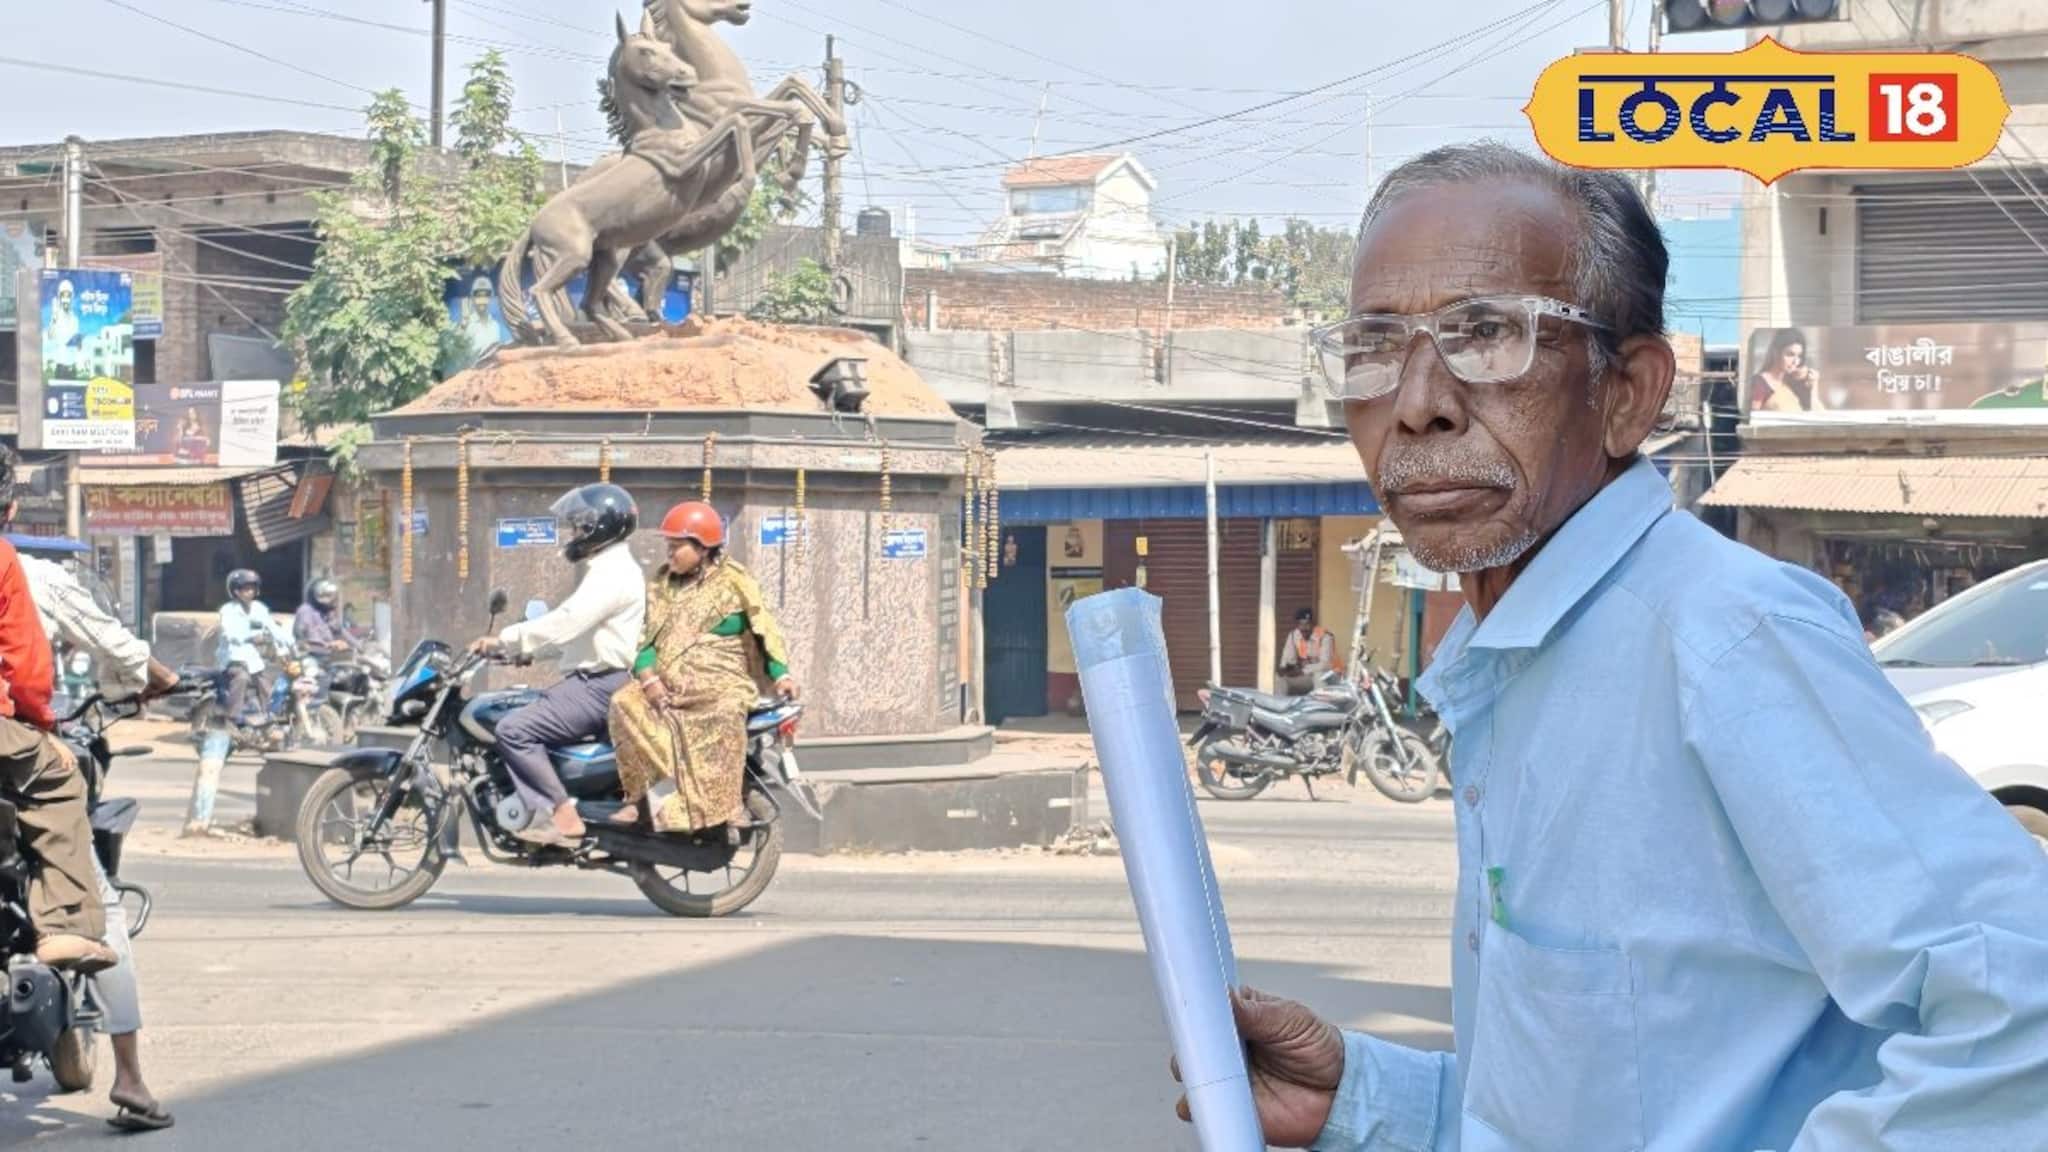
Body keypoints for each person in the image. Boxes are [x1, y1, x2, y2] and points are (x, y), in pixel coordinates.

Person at [1206, 143, 2048, 1151]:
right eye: (1373, 347)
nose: (1417, 401)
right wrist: (1358, 1096)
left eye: (1486, 336)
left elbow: (2019, 1009)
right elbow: (1603, 1104)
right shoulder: (1512, 663)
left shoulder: (1721, 639)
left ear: (1625, 392)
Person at [0, 448, 176, 1129]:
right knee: (95, 899)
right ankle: (129, 1079)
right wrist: (156, 677)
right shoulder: (32, 572)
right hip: (19, 744)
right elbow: (55, 665)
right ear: (13, 510)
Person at [469, 483, 645, 846]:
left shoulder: (613, 572)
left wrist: (507, 638)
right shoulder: (609, 568)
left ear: (602, 527)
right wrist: (526, 654)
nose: (574, 534)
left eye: (580, 526)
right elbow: (581, 635)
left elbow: (568, 620)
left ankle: (558, 814)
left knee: (513, 731)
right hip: (597, 680)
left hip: (597, 686)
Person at [608, 502, 796, 833]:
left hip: (720, 682)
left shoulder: (734, 582)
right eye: (668, 546)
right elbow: (645, 642)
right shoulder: (661, 585)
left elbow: (764, 629)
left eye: (677, 546)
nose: (670, 553)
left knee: (727, 711)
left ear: (703, 547)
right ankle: (641, 799)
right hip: (666, 686)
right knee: (624, 703)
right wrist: (649, 680)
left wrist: (781, 675)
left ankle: (729, 805)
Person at [0, 483, 115, 974]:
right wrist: (44, 728)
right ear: (11, 508)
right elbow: (26, 668)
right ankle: (65, 926)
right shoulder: (6, 559)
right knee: (61, 780)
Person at [216, 569, 293, 727]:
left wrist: (291, 642)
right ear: (236, 591)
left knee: (267, 683)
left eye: (252, 588)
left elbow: (273, 628)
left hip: (252, 659)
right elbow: (231, 633)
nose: (249, 592)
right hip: (232, 658)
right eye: (245, 589)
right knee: (242, 678)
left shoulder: (259, 608)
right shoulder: (228, 610)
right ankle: (232, 719)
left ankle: (269, 718)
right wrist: (249, 637)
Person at [1750, 327, 1824, 413]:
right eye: (1790, 354)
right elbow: (1752, 420)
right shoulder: (1759, 383)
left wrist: (1814, 385)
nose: (1795, 362)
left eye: (1799, 356)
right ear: (1776, 352)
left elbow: (1817, 416)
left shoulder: (1792, 383)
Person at [1276, 607, 1334, 695]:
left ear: (1313, 624)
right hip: (1307, 677)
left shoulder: (1325, 637)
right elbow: (1288, 659)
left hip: (1330, 677)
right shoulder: (1294, 635)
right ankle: (1281, 706)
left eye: (1307, 624)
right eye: (1300, 624)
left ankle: (1319, 707)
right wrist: (1286, 669)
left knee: (1319, 675)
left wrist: (1303, 671)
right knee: (1279, 679)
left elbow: (1325, 665)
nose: (1304, 628)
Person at [294, 578, 350, 656]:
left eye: (331, 596)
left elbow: (339, 630)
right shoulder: (305, 611)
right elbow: (303, 636)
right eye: (325, 596)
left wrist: (358, 646)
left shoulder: (326, 612)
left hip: (329, 653)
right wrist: (326, 645)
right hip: (312, 654)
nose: (330, 600)